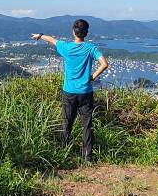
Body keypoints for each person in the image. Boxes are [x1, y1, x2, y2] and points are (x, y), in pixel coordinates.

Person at [31, 19, 109, 162]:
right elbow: (104, 64)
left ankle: (63, 152)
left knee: (67, 122)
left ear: (73, 32)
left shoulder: (66, 47)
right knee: (87, 125)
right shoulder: (91, 48)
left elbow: (52, 40)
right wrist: (92, 77)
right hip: (86, 92)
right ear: (87, 33)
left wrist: (40, 35)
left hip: (69, 92)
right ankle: (88, 157)